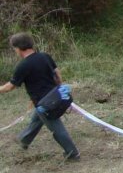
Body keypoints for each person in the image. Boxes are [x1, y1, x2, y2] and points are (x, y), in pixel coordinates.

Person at [0, 32, 80, 161]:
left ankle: (73, 154)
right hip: (55, 95)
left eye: (14, 48)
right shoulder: (44, 56)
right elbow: (57, 74)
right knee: (37, 118)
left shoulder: (23, 66)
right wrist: (59, 91)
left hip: (46, 104)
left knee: (56, 128)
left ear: (18, 48)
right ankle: (24, 139)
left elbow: (10, 87)